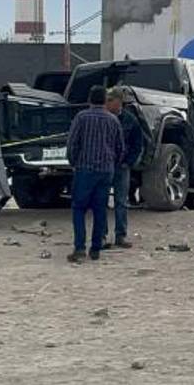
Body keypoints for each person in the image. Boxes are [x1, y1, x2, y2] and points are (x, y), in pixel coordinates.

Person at [65, 85, 125, 263]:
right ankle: (96, 248)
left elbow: (72, 143)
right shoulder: (113, 120)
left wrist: (73, 162)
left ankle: (80, 248)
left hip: (85, 169)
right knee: (100, 209)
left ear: (90, 99)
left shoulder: (81, 117)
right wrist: (112, 163)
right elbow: (120, 147)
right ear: (104, 100)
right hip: (106, 171)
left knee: (78, 208)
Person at [105, 87, 144, 249]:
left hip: (121, 166)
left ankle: (120, 236)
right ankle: (102, 236)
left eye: (110, 100)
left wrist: (129, 162)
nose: (107, 104)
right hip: (104, 166)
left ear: (118, 102)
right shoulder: (103, 118)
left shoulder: (129, 120)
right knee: (101, 201)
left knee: (121, 202)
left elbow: (138, 143)